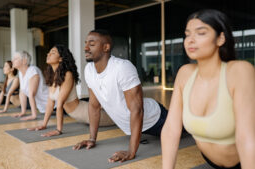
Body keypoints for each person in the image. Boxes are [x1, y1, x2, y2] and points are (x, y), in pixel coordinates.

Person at [161, 9, 255, 169]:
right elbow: (171, 129)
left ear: (220, 38)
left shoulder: (239, 71)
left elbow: (246, 138)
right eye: (187, 34)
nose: (190, 40)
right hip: (214, 162)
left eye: (201, 33)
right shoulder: (185, 73)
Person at [73, 29, 168, 163]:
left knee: (188, 130)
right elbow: (94, 106)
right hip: (137, 128)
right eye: (85, 43)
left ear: (106, 47)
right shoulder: (89, 70)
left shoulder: (122, 68)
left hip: (156, 119)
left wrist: (131, 151)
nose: (86, 47)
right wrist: (92, 139)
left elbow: (137, 110)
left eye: (92, 44)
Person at [27, 45, 115, 136]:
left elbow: (60, 103)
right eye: (48, 52)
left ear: (61, 59)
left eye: (53, 53)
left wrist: (58, 130)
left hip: (86, 113)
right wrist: (44, 124)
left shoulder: (67, 74)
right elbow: (50, 102)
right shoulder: (52, 76)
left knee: (117, 119)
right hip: (79, 116)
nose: (48, 54)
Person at [12, 51, 49, 121]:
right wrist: (23, 112)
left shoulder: (33, 70)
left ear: (24, 61)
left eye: (15, 58)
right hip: (43, 108)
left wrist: (33, 115)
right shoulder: (20, 72)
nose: (12, 60)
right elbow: (22, 92)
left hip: (53, 104)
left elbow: (32, 94)